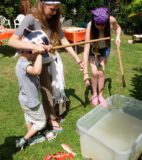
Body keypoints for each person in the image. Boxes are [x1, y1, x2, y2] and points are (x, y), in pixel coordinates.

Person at [8, 0, 83, 132]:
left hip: (48, 60)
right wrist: (34, 46)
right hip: (32, 61)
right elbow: (12, 41)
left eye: (56, 10)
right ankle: (46, 120)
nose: (54, 13)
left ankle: (50, 118)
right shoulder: (30, 19)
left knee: (49, 89)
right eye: (52, 9)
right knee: (35, 92)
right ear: (43, 4)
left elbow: (63, 40)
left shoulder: (53, 20)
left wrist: (77, 58)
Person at [14, 43, 52, 150]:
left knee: (29, 117)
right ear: (26, 52)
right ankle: (24, 140)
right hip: (31, 101)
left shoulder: (21, 61)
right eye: (33, 53)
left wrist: (45, 48)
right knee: (41, 122)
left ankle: (32, 135)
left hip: (24, 99)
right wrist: (39, 54)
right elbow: (36, 71)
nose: (35, 56)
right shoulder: (24, 65)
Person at [83, 7, 121, 106]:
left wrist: (118, 37)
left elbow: (118, 28)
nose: (100, 27)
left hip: (105, 48)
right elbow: (86, 49)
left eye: (103, 24)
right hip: (93, 49)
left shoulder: (111, 20)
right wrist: (85, 73)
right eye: (98, 24)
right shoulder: (90, 26)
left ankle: (100, 95)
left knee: (101, 72)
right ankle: (95, 94)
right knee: (94, 73)